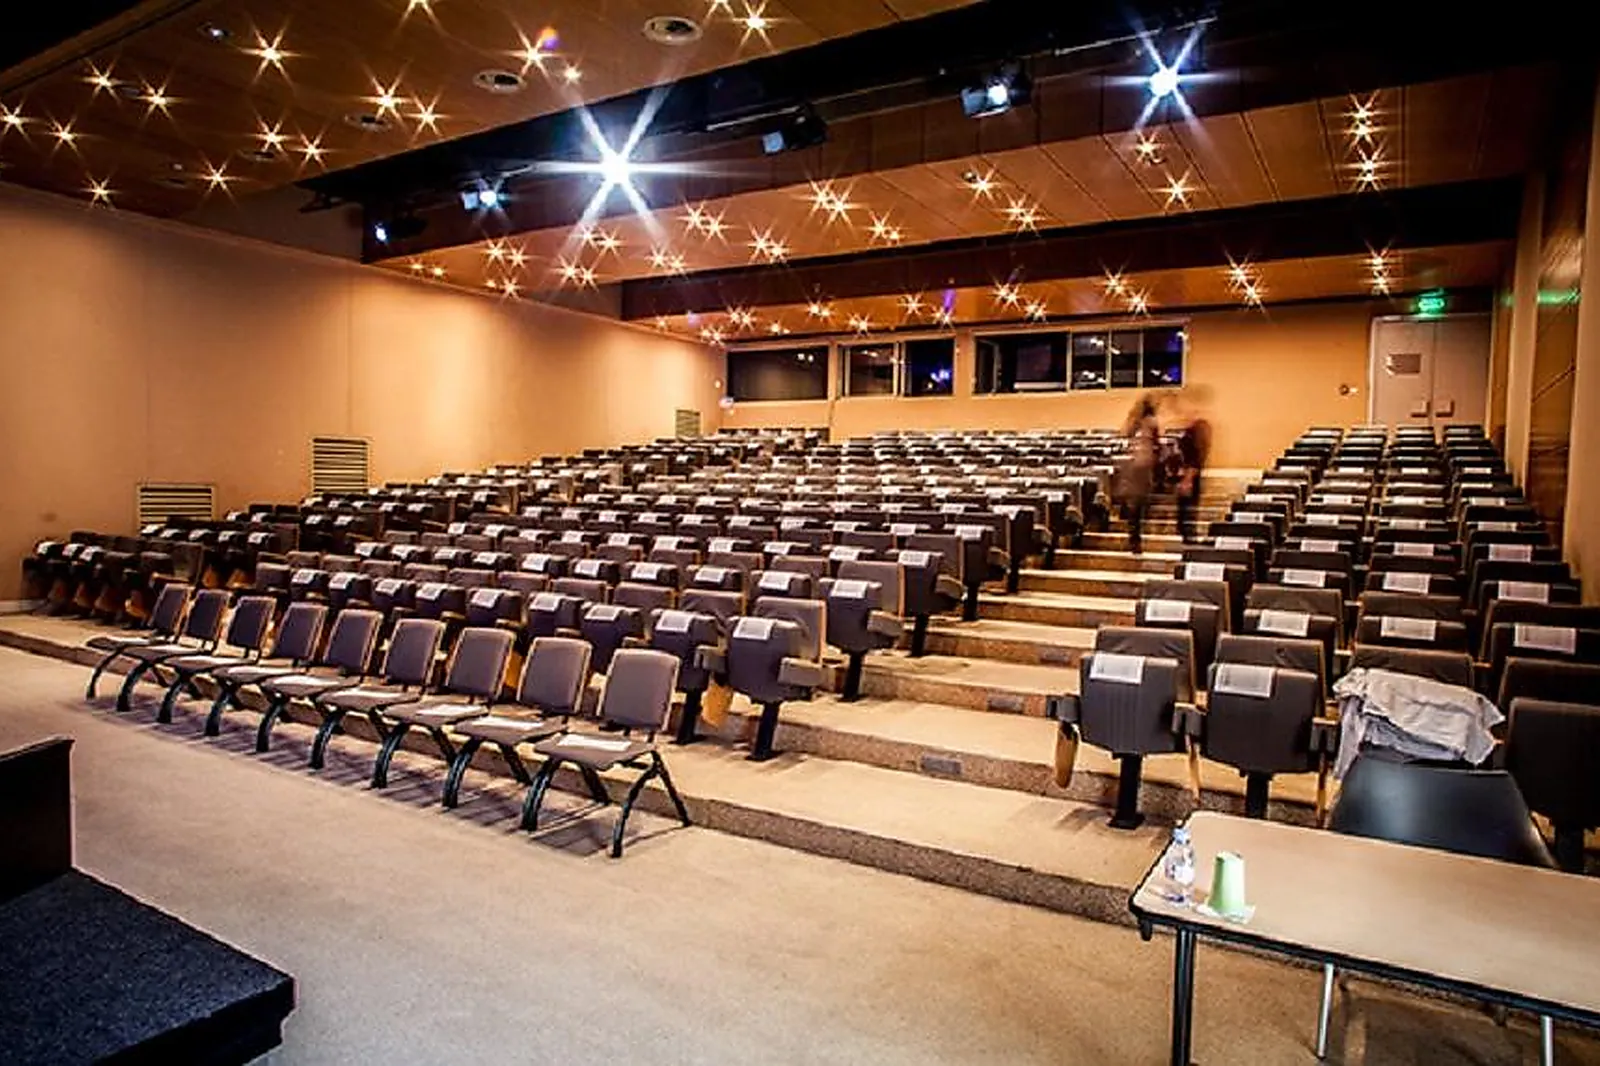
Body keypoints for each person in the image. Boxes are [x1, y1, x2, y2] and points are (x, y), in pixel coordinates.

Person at [1118, 396, 1160, 554]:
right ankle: (1134, 539)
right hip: (1137, 465)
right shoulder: (1141, 422)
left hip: (1139, 465)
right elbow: (1125, 434)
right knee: (1136, 503)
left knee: (1136, 503)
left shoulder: (1144, 422)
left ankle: (1134, 538)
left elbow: (1155, 443)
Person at [1173, 387, 1213, 544]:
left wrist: (1187, 479)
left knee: (1187, 515)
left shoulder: (1198, 428)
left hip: (1191, 475)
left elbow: (1196, 457)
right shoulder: (1191, 428)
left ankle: (1191, 545)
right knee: (1183, 516)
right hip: (1185, 474)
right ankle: (1188, 541)